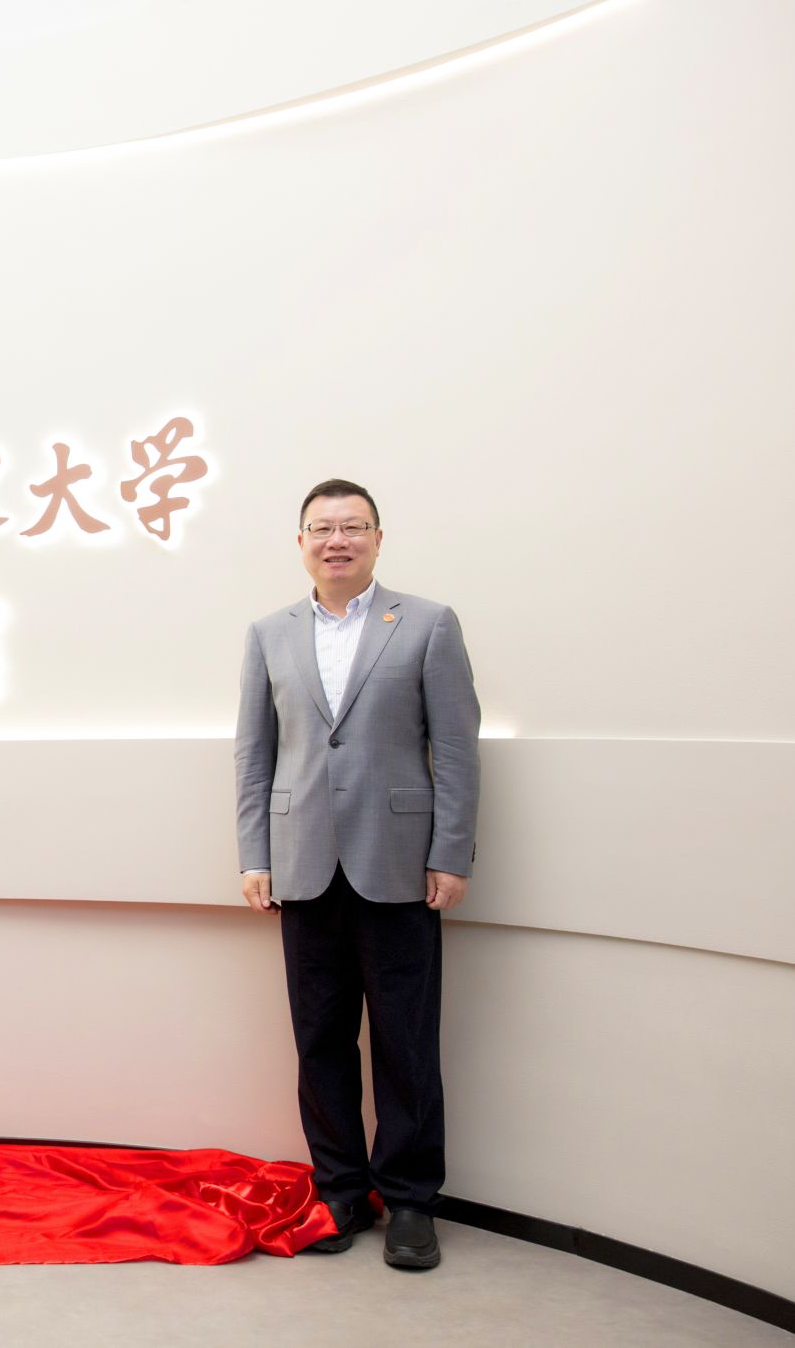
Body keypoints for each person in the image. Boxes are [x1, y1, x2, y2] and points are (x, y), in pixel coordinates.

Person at [234, 480, 479, 1270]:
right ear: (301, 541)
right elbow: (254, 753)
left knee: (406, 1040)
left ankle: (410, 1200)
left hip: (399, 865)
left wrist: (450, 852)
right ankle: (340, 1190)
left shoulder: (429, 623)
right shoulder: (269, 633)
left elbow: (456, 748)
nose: (336, 539)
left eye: (352, 527)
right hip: (302, 864)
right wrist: (255, 854)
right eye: (321, 528)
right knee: (320, 1040)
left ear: (377, 537)